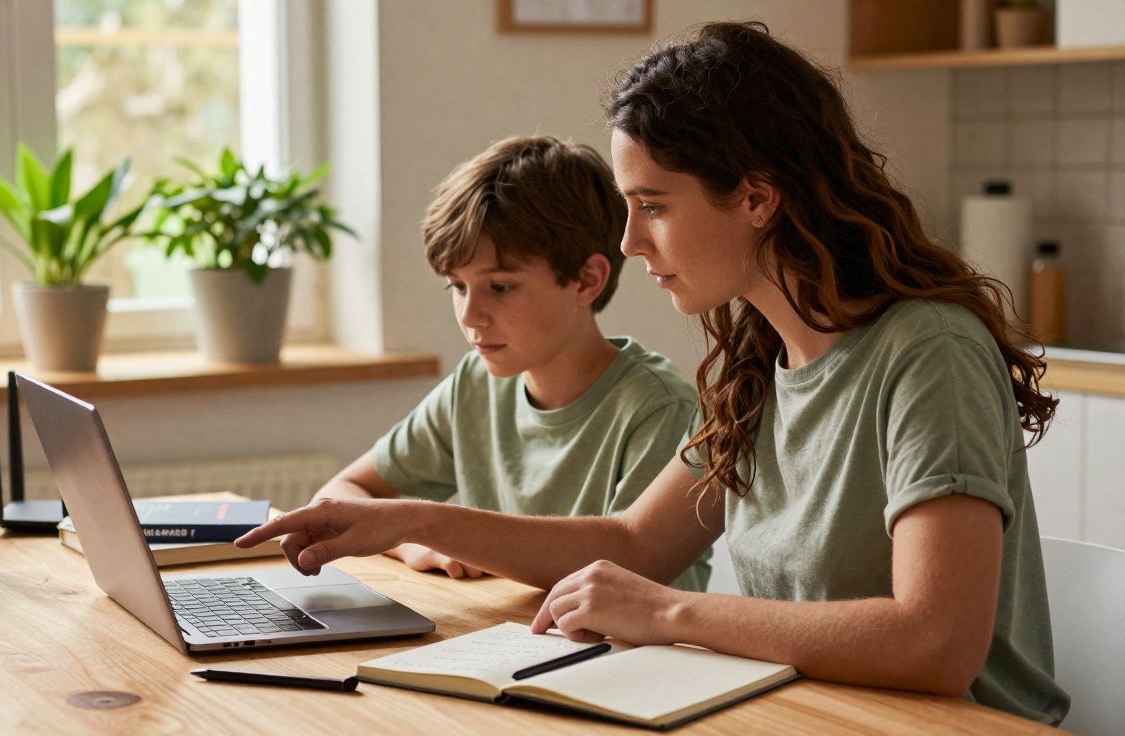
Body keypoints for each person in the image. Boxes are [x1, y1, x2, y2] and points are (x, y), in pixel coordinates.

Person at [237, 23, 1069, 724]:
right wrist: (414, 520)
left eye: (654, 206)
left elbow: (936, 642)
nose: (632, 244)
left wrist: (670, 613)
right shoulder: (762, 359)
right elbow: (635, 540)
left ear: (755, 197)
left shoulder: (928, 351)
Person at [310, 135, 710, 591]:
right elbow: (341, 494)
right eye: (457, 287)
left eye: (500, 287)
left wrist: (421, 523)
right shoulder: (475, 384)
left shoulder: (657, 406)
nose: (470, 315)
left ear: (587, 279)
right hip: (504, 637)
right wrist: (413, 542)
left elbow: (628, 565)